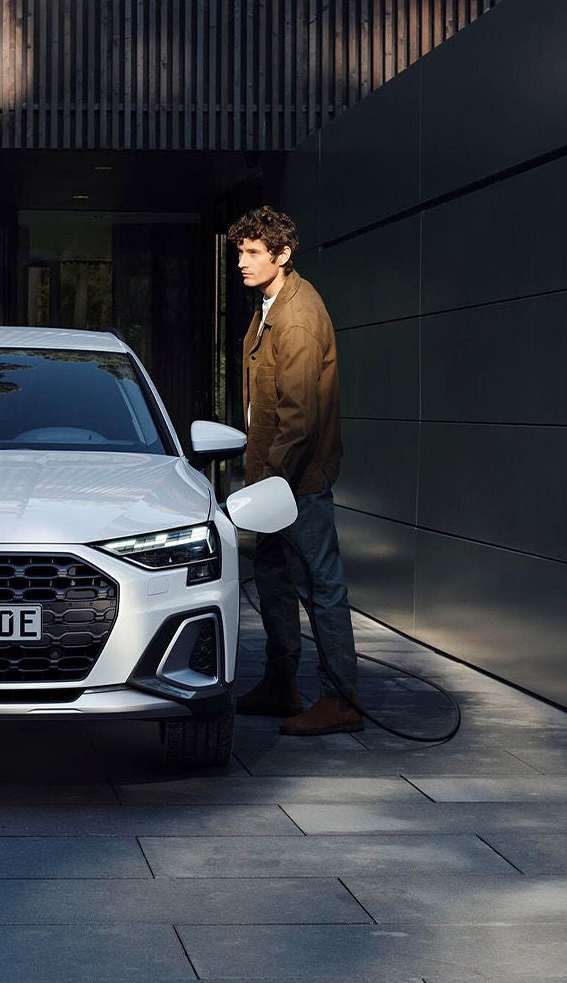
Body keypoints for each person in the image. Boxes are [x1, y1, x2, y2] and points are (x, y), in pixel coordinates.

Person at [230, 205, 361, 735]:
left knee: (320, 585)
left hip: (294, 482)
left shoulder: (298, 317)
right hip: (274, 479)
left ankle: (342, 700)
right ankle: (282, 683)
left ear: (282, 255)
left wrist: (266, 484)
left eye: (254, 252)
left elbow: (298, 415)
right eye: (239, 251)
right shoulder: (270, 305)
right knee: (274, 579)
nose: (242, 261)